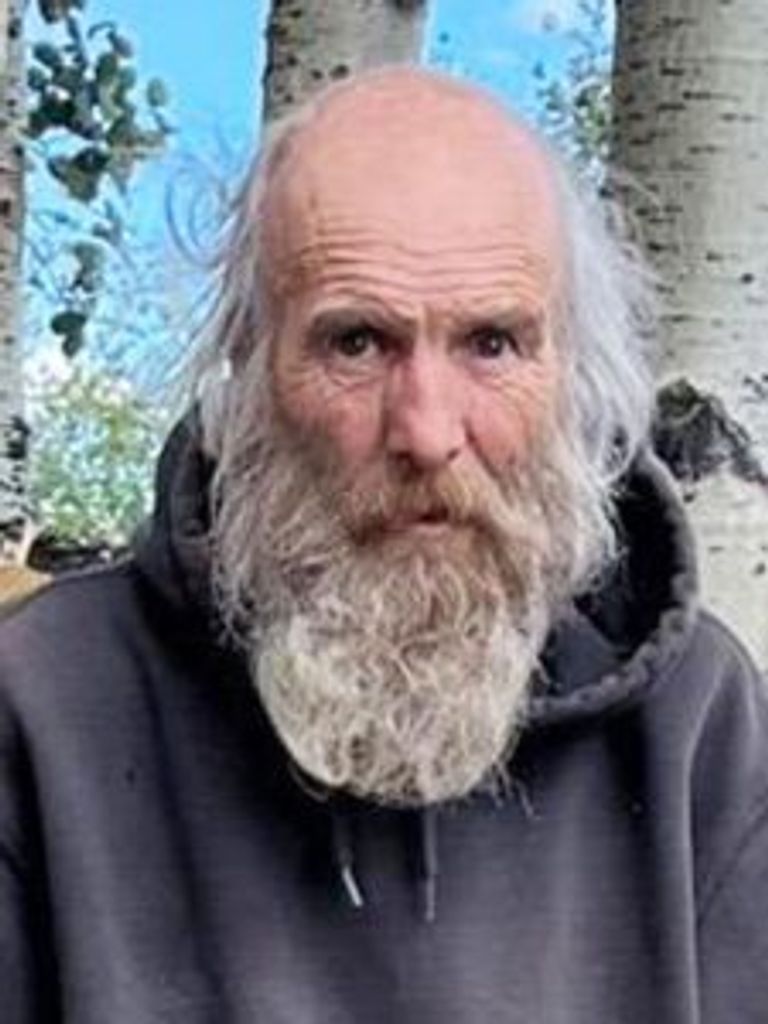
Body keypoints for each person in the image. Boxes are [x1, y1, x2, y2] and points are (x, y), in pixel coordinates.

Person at [1, 66, 767, 1024]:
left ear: (571, 374)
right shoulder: (43, 705)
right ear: (248, 371)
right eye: (357, 343)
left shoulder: (698, 724)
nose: (427, 432)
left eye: (492, 343)